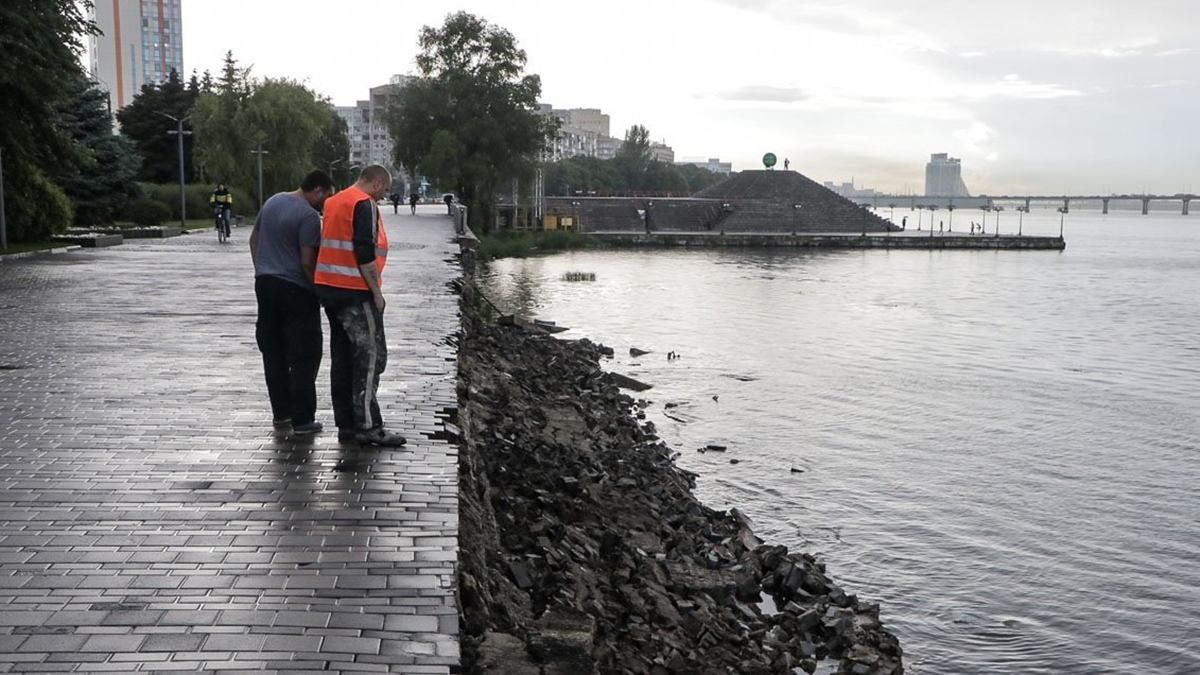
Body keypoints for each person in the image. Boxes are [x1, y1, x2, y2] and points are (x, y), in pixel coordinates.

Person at [314, 165, 406, 446]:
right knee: (370, 358)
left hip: (329, 290)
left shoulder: (334, 202)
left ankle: (347, 425)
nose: (384, 197)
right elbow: (364, 251)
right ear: (376, 184)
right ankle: (368, 426)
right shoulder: (363, 204)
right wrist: (376, 292)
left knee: (342, 358)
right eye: (384, 191)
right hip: (355, 291)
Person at [249, 170, 335, 436]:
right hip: (296, 290)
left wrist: (262, 268)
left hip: (265, 285)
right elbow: (307, 262)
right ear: (318, 190)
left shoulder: (273, 201)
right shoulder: (308, 216)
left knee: (273, 351)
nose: (326, 204)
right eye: (327, 196)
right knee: (304, 353)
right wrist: (319, 292)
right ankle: (303, 419)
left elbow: (253, 239)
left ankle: (281, 413)